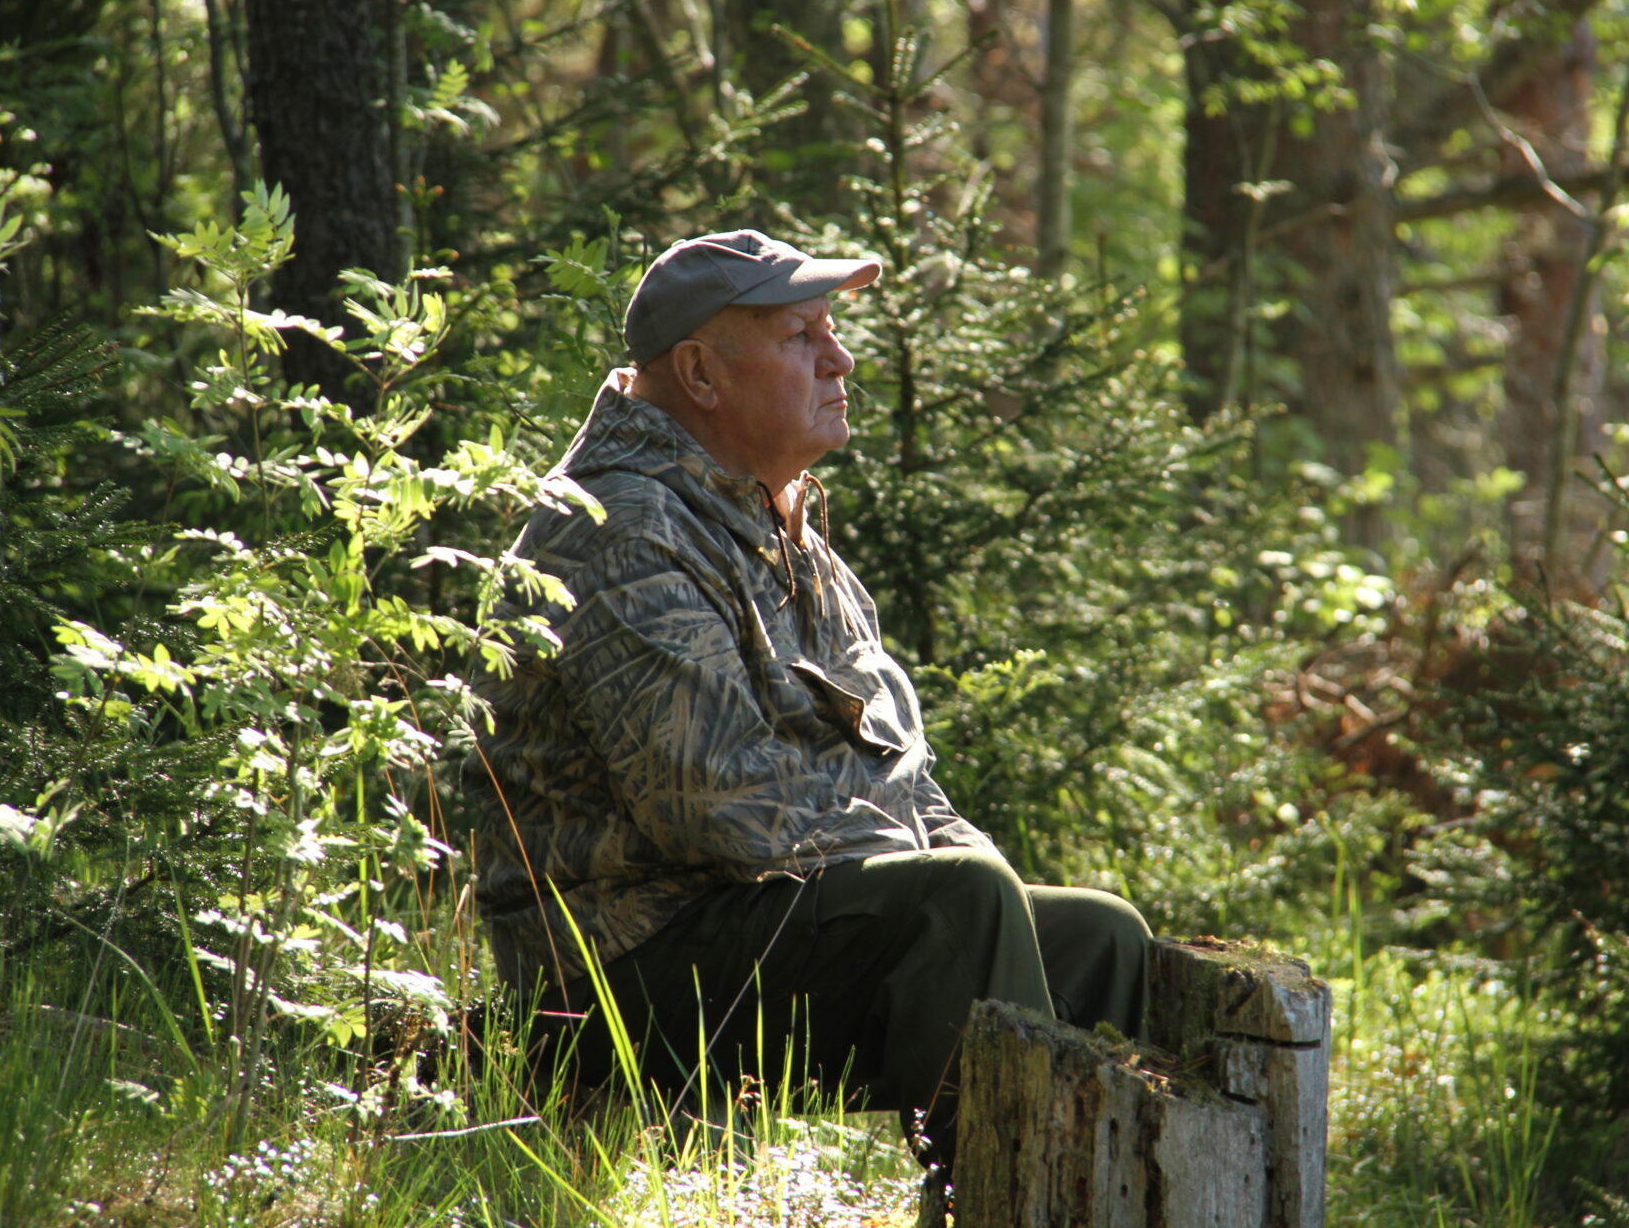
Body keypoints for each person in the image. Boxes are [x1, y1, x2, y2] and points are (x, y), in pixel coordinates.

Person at [460, 229, 1150, 1181]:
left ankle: (1066, 1199)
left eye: (831, 329)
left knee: (1097, 938)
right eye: (800, 336)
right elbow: (719, 808)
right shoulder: (616, 528)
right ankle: (1002, 1198)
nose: (841, 358)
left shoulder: (777, 525)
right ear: (700, 373)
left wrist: (966, 859)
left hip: (747, 929)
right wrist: (951, 877)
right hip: (614, 977)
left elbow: (894, 766)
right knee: (965, 905)